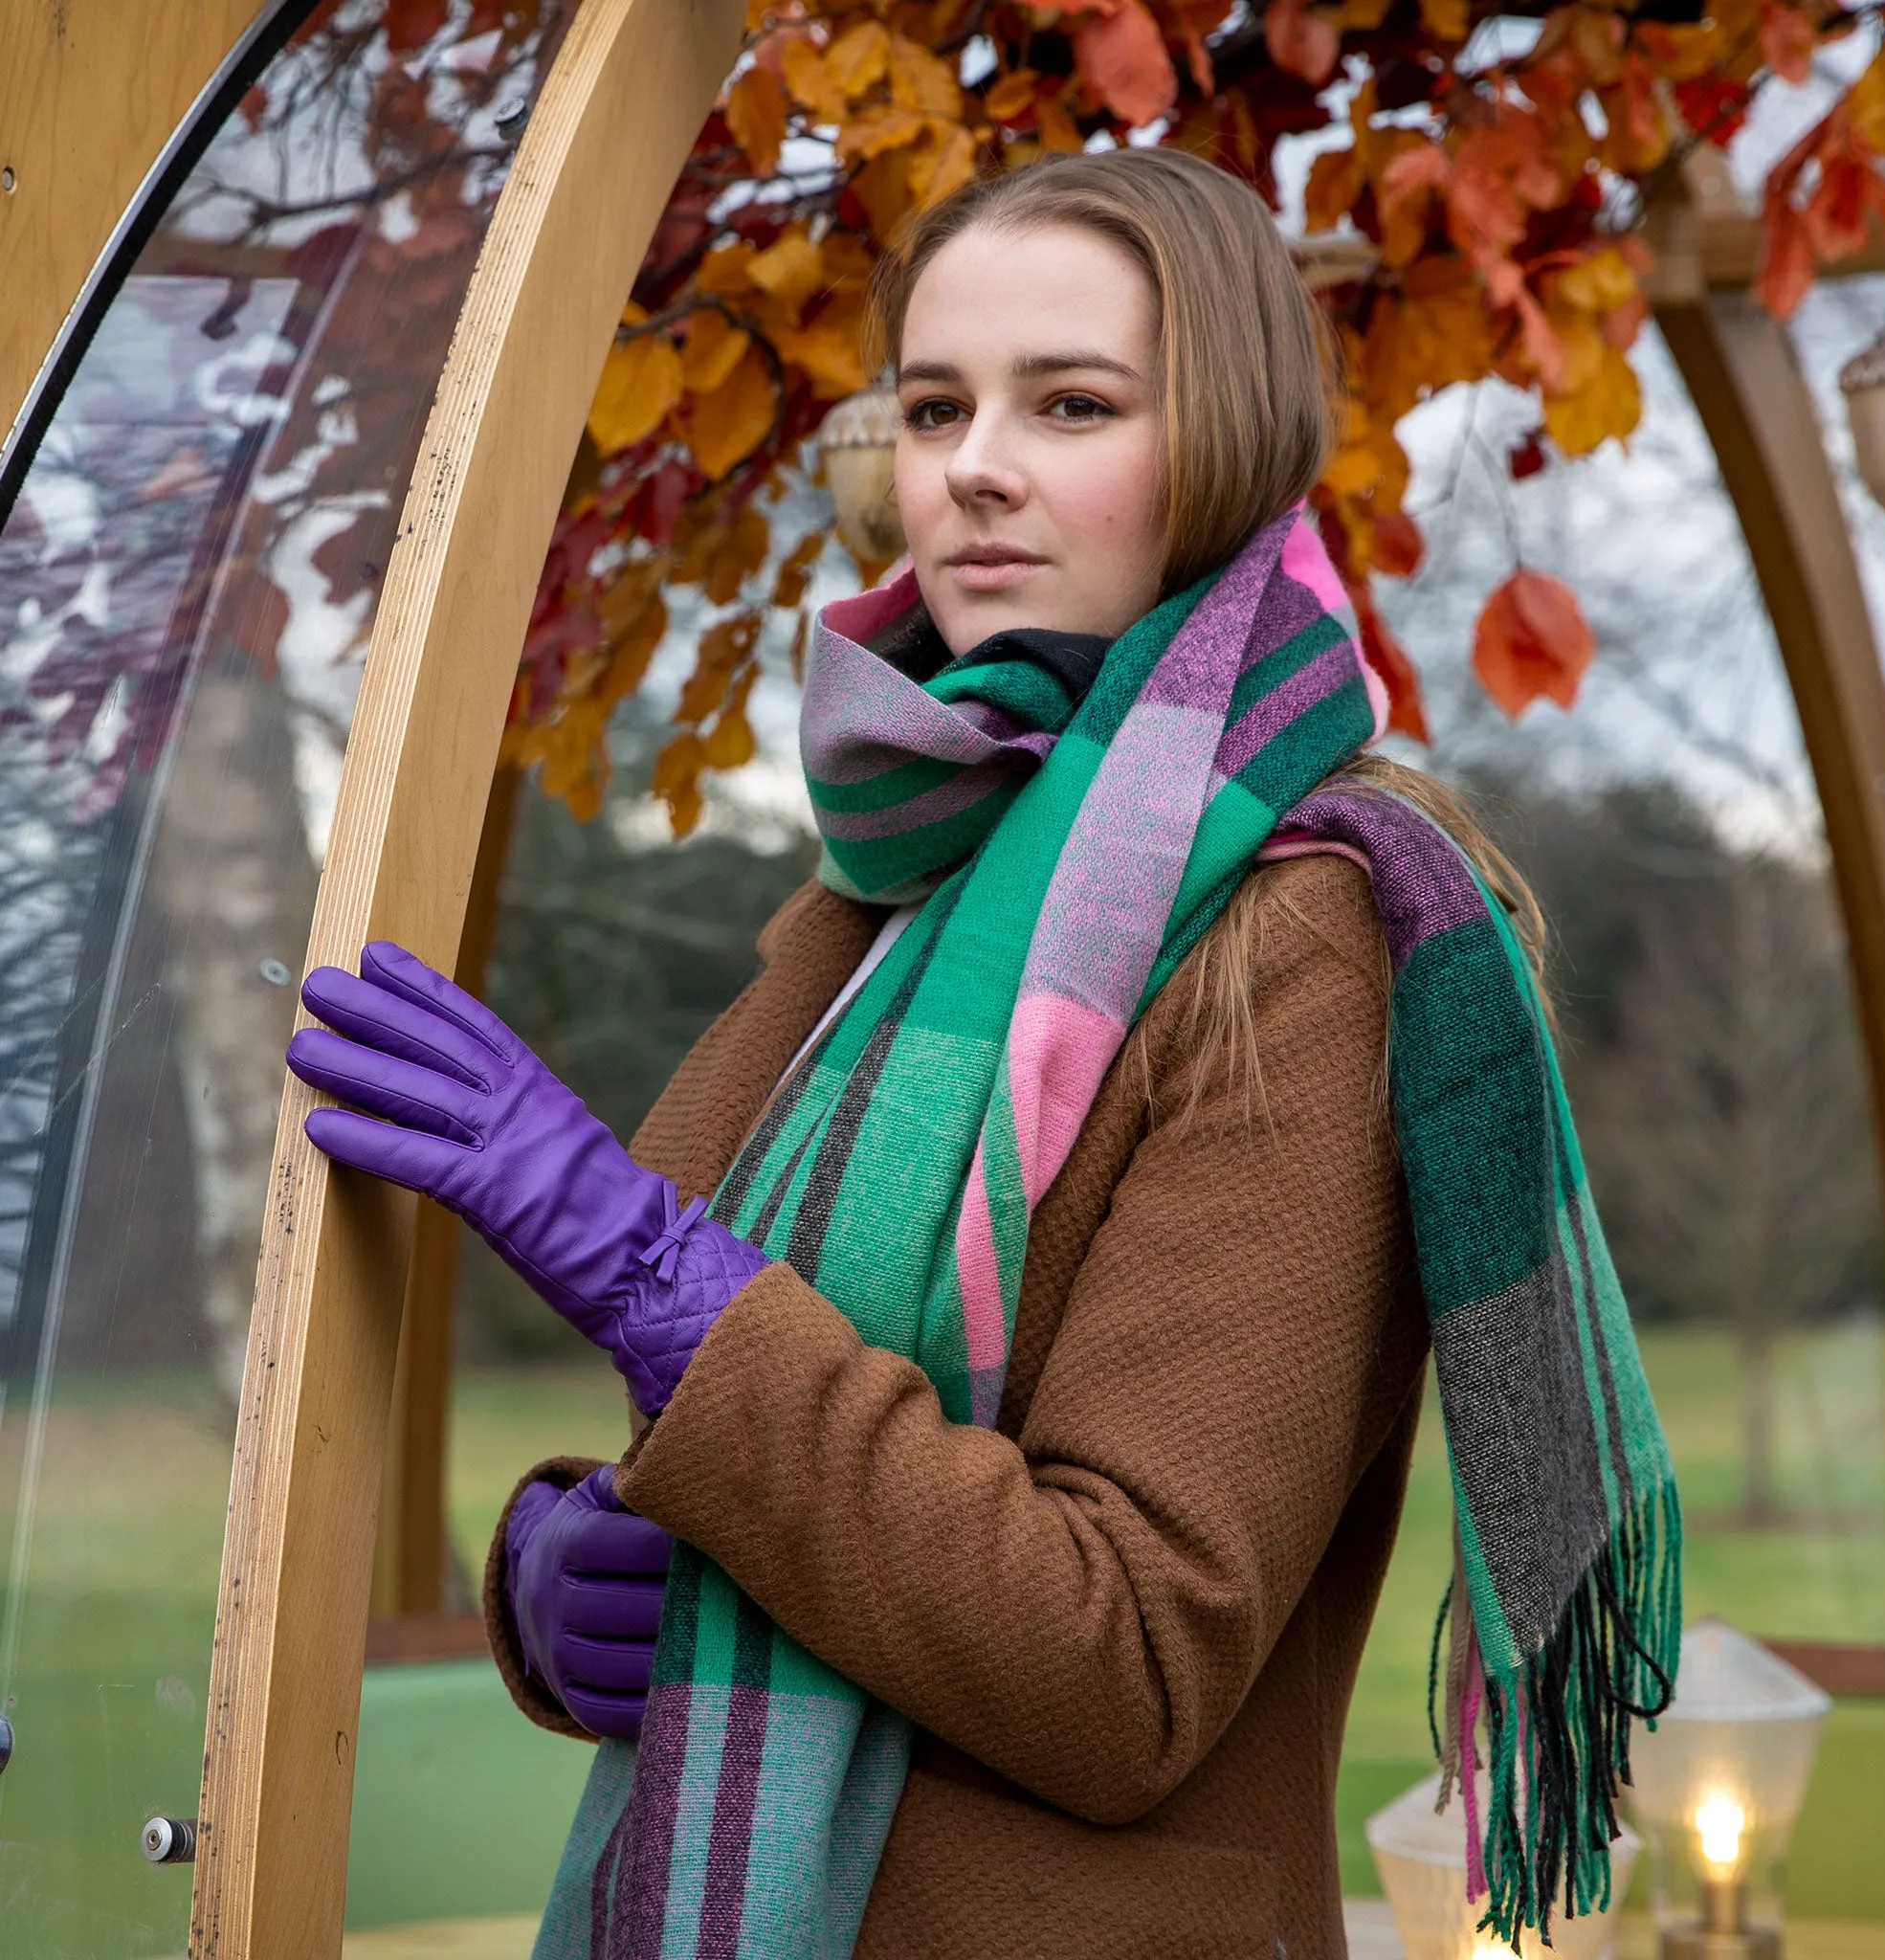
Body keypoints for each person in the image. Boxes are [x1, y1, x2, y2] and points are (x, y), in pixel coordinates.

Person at [288, 149, 1678, 1960]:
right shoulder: (903, 878)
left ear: (1228, 448)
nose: (973, 467)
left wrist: (643, 1267)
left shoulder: (1313, 930)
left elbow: (1123, 1661)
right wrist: (572, 1572)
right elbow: (794, 1437)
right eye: (934, 405)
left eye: (1073, 402)